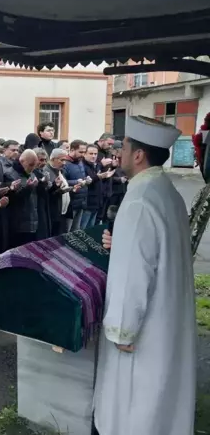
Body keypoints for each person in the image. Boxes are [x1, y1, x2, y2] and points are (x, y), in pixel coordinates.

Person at [94, 116, 196, 435]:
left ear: (138, 155)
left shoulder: (138, 199)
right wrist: (120, 244)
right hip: (167, 316)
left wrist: (122, 331)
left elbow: (134, 272)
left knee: (134, 408)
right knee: (162, 403)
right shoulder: (165, 190)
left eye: (123, 147)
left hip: (145, 327)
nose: (118, 153)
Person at [4, 150, 40, 247]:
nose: (32, 168)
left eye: (34, 165)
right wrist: (28, 188)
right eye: (31, 165)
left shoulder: (31, 173)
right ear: (22, 161)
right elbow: (12, 199)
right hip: (18, 224)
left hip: (32, 220)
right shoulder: (10, 174)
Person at [43, 149, 72, 237]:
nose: (64, 163)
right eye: (61, 160)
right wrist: (60, 191)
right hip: (53, 213)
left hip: (61, 212)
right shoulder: (46, 171)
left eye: (65, 160)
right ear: (52, 159)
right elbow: (47, 193)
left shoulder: (59, 170)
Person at [63, 140, 89, 231]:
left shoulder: (80, 162)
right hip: (70, 203)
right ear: (72, 150)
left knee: (76, 231)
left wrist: (86, 180)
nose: (83, 154)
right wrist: (76, 182)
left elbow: (82, 177)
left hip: (81, 202)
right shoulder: (65, 163)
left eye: (84, 152)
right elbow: (63, 182)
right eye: (80, 152)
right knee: (67, 231)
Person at [80, 144, 103, 230]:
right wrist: (98, 177)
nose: (93, 156)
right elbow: (86, 181)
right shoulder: (82, 166)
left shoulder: (96, 165)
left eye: (95, 154)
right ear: (85, 154)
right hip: (87, 203)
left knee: (91, 229)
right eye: (91, 153)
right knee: (83, 229)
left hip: (96, 203)